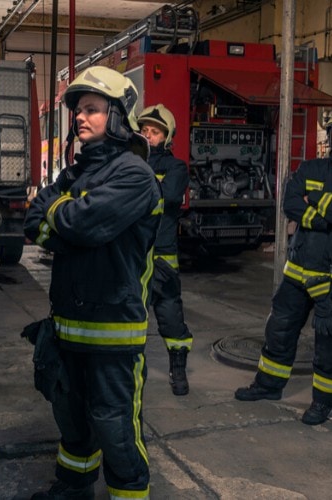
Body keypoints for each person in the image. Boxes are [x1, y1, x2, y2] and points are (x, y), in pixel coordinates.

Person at [24, 66, 162, 500]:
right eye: (78, 110)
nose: (80, 118)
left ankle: (129, 494)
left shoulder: (134, 175)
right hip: (67, 326)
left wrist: (61, 218)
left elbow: (80, 225)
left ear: (118, 117)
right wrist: (63, 217)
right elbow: (36, 224)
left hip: (112, 332)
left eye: (92, 110)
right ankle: (74, 486)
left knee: (114, 426)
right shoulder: (73, 175)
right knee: (72, 419)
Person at [234, 101, 332, 426]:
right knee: (280, 330)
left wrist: (315, 205)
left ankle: (324, 402)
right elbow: (291, 203)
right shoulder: (310, 168)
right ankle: (268, 385)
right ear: (331, 134)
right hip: (299, 271)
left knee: (331, 340)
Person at [137, 104, 192, 396]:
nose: (148, 136)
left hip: (162, 258)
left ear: (166, 137)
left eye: (154, 132)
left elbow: (170, 195)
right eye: (144, 131)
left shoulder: (176, 167)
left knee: (170, 316)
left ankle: (178, 370)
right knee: (131, 317)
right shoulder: (130, 162)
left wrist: (135, 186)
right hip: (133, 256)